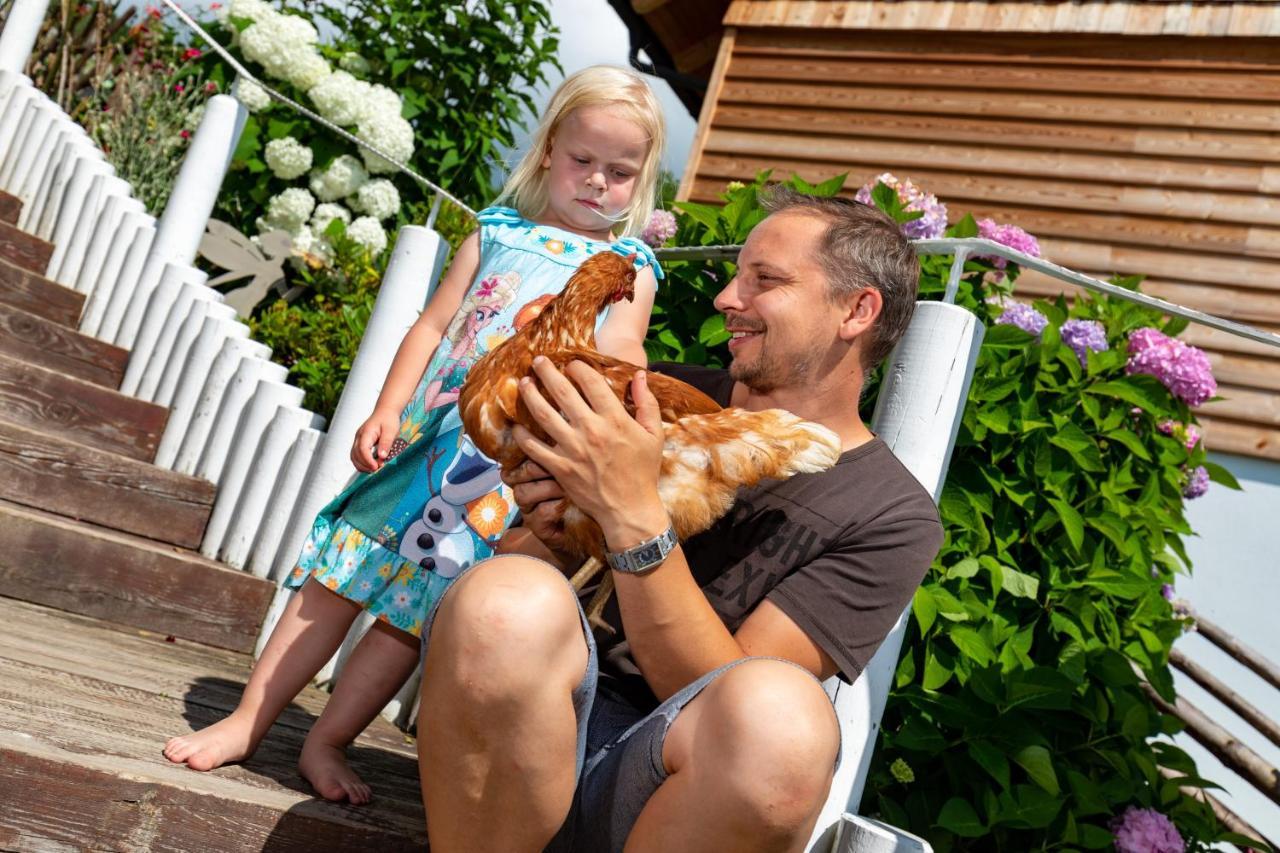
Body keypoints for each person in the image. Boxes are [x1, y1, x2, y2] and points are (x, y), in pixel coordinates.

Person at [162, 64, 669, 804]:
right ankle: (248, 717)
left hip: (502, 467)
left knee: (413, 614)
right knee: (337, 577)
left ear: (643, 179)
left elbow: (623, 356)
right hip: (423, 444)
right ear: (550, 151)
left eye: (619, 172)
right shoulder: (495, 233)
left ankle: (327, 739)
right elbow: (431, 326)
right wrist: (386, 409)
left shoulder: (628, 267)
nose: (597, 182)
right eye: (583, 160)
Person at [414, 187, 946, 852]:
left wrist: (630, 514)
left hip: (669, 787)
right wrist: (555, 531)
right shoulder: (645, 393)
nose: (727, 298)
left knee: (783, 722)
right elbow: (504, 583)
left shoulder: (888, 513)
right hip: (520, 734)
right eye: (736, 274)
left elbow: (726, 700)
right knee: (503, 601)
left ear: (857, 310)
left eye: (765, 280)